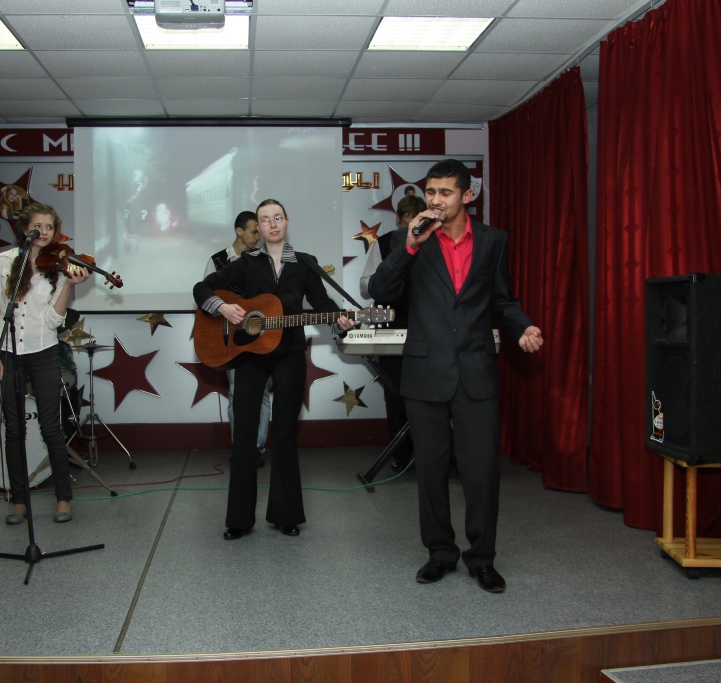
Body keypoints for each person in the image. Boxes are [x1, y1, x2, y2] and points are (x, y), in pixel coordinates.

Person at [368, 159, 543, 592]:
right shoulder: (407, 238)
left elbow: (504, 300)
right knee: (430, 470)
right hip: (425, 370)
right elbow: (380, 291)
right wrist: (410, 246)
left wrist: (522, 327)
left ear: (467, 195)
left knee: (481, 471)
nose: (435, 200)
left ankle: (482, 558)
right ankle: (440, 553)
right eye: (430, 192)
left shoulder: (493, 241)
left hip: (475, 369)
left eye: (445, 192)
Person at [194, 199, 355, 540]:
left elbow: (322, 303)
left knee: (284, 433)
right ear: (259, 227)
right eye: (265, 220)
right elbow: (202, 288)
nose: (272, 224)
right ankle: (238, 519)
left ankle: (286, 514)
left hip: (290, 354)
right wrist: (223, 308)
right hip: (250, 357)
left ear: (286, 221)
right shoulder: (246, 262)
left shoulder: (305, 263)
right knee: (244, 435)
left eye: (277, 218)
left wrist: (339, 320)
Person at [0, 202, 91, 524]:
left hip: (43, 351)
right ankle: (19, 500)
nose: (44, 232)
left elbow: (54, 321)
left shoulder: (57, 267)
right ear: (25, 229)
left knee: (51, 427)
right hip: (7, 352)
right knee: (13, 430)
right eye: (38, 226)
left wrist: (67, 286)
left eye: (49, 227)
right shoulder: (5, 261)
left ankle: (63, 498)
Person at [359, 194, 426, 472]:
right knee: (396, 395)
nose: (408, 231)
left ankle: (427, 456)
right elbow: (366, 287)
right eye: (404, 226)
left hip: (425, 329)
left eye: (414, 226)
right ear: (397, 219)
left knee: (425, 395)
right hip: (391, 328)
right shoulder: (384, 243)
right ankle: (402, 456)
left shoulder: (433, 242)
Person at [204, 211, 272, 467]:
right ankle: (240, 448)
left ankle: (257, 449)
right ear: (239, 231)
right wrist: (224, 312)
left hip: (260, 336)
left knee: (262, 393)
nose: (258, 236)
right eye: (254, 231)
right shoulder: (217, 261)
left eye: (260, 232)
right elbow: (205, 299)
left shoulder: (264, 261)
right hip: (231, 339)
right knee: (236, 394)